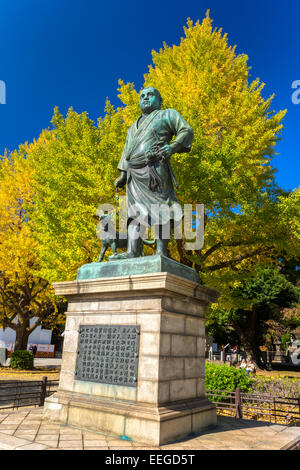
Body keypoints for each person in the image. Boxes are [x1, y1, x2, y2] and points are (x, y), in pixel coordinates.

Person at [113, 87, 193, 258]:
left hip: (155, 168)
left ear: (160, 99)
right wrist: (122, 174)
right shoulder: (132, 127)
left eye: (150, 95)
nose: (145, 98)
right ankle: (132, 251)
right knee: (133, 212)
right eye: (142, 96)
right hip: (134, 175)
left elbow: (186, 130)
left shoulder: (167, 114)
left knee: (162, 208)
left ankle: (161, 251)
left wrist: (172, 147)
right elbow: (126, 151)